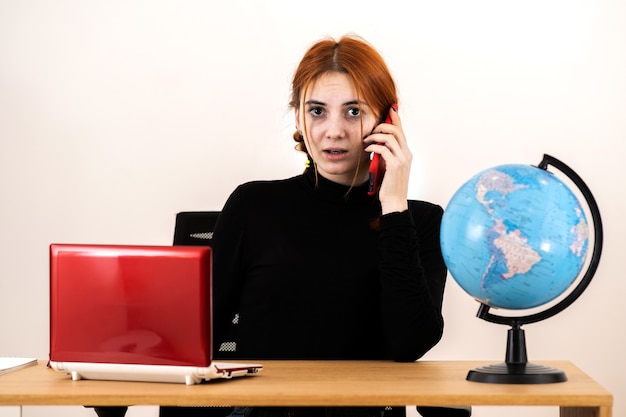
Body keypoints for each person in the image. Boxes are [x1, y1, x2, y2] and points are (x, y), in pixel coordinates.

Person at [96, 34, 449, 417]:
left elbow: (409, 344)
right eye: (317, 111)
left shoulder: (421, 223)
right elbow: (193, 338)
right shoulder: (254, 206)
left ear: (387, 120)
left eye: (353, 112)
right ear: (298, 115)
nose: (333, 131)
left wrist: (394, 204)